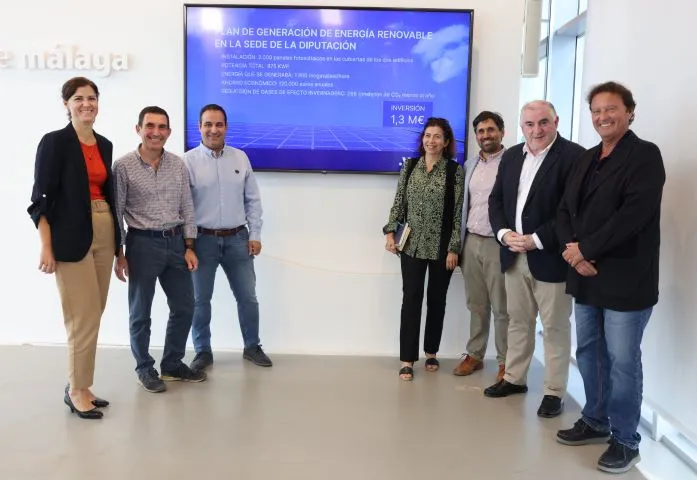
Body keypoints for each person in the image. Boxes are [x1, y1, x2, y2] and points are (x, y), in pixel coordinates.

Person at [556, 82, 665, 474]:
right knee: (589, 353)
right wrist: (572, 251)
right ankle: (596, 419)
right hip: (585, 275)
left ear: (630, 112)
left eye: (611, 109)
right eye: (596, 110)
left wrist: (585, 250)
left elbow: (632, 216)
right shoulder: (586, 158)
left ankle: (625, 440)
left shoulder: (645, 156)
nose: (602, 116)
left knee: (622, 362)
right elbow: (564, 210)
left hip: (624, 278)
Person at [485, 101, 585, 419]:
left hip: (551, 257)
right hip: (514, 254)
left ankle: (554, 392)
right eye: (529, 124)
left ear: (556, 121)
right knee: (518, 321)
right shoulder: (512, 155)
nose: (536, 130)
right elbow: (496, 199)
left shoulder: (574, 157)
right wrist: (504, 233)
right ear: (521, 126)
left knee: (554, 328)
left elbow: (571, 211)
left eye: (543, 122)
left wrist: (536, 239)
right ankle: (514, 379)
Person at [28, 77, 120, 419]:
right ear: (66, 104)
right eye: (79, 98)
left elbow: (109, 195)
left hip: (104, 229)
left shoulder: (105, 144)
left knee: (95, 312)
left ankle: (83, 385)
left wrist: (119, 247)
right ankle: (76, 389)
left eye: (92, 98)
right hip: (70, 237)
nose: (86, 104)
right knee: (81, 315)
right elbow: (41, 201)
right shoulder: (55, 143)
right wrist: (46, 246)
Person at [113, 106, 206, 393]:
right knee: (140, 312)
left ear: (169, 131)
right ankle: (144, 368)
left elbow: (187, 207)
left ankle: (172, 364)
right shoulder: (123, 166)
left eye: (162, 127)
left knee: (185, 306)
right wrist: (119, 253)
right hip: (141, 244)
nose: (156, 132)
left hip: (176, 244)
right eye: (150, 126)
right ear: (138, 129)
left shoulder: (178, 164)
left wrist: (189, 246)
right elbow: (116, 212)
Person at [183, 104, 272, 371]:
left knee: (248, 297)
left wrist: (255, 234)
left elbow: (253, 200)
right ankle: (203, 351)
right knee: (199, 300)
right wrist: (187, 244)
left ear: (226, 127)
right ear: (199, 127)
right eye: (208, 124)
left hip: (238, 239)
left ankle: (252, 346)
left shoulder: (240, 158)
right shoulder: (187, 162)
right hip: (202, 241)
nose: (214, 129)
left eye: (219, 124)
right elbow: (183, 207)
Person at [383, 117, 464, 381]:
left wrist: (454, 248)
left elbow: (458, 214)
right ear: (422, 139)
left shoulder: (454, 171)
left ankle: (431, 351)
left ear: (446, 141)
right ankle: (407, 359)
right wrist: (390, 232)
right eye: (428, 135)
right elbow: (398, 203)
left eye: (437, 136)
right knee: (411, 300)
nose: (431, 140)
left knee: (437, 300)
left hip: (442, 247)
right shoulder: (410, 167)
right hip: (411, 246)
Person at [453, 111, 509, 381]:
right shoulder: (470, 164)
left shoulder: (513, 162)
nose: (486, 135)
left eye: (491, 130)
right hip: (471, 242)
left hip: (498, 244)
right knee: (476, 304)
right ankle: (475, 354)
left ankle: (505, 361)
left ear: (502, 132)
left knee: (502, 307)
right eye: (481, 131)